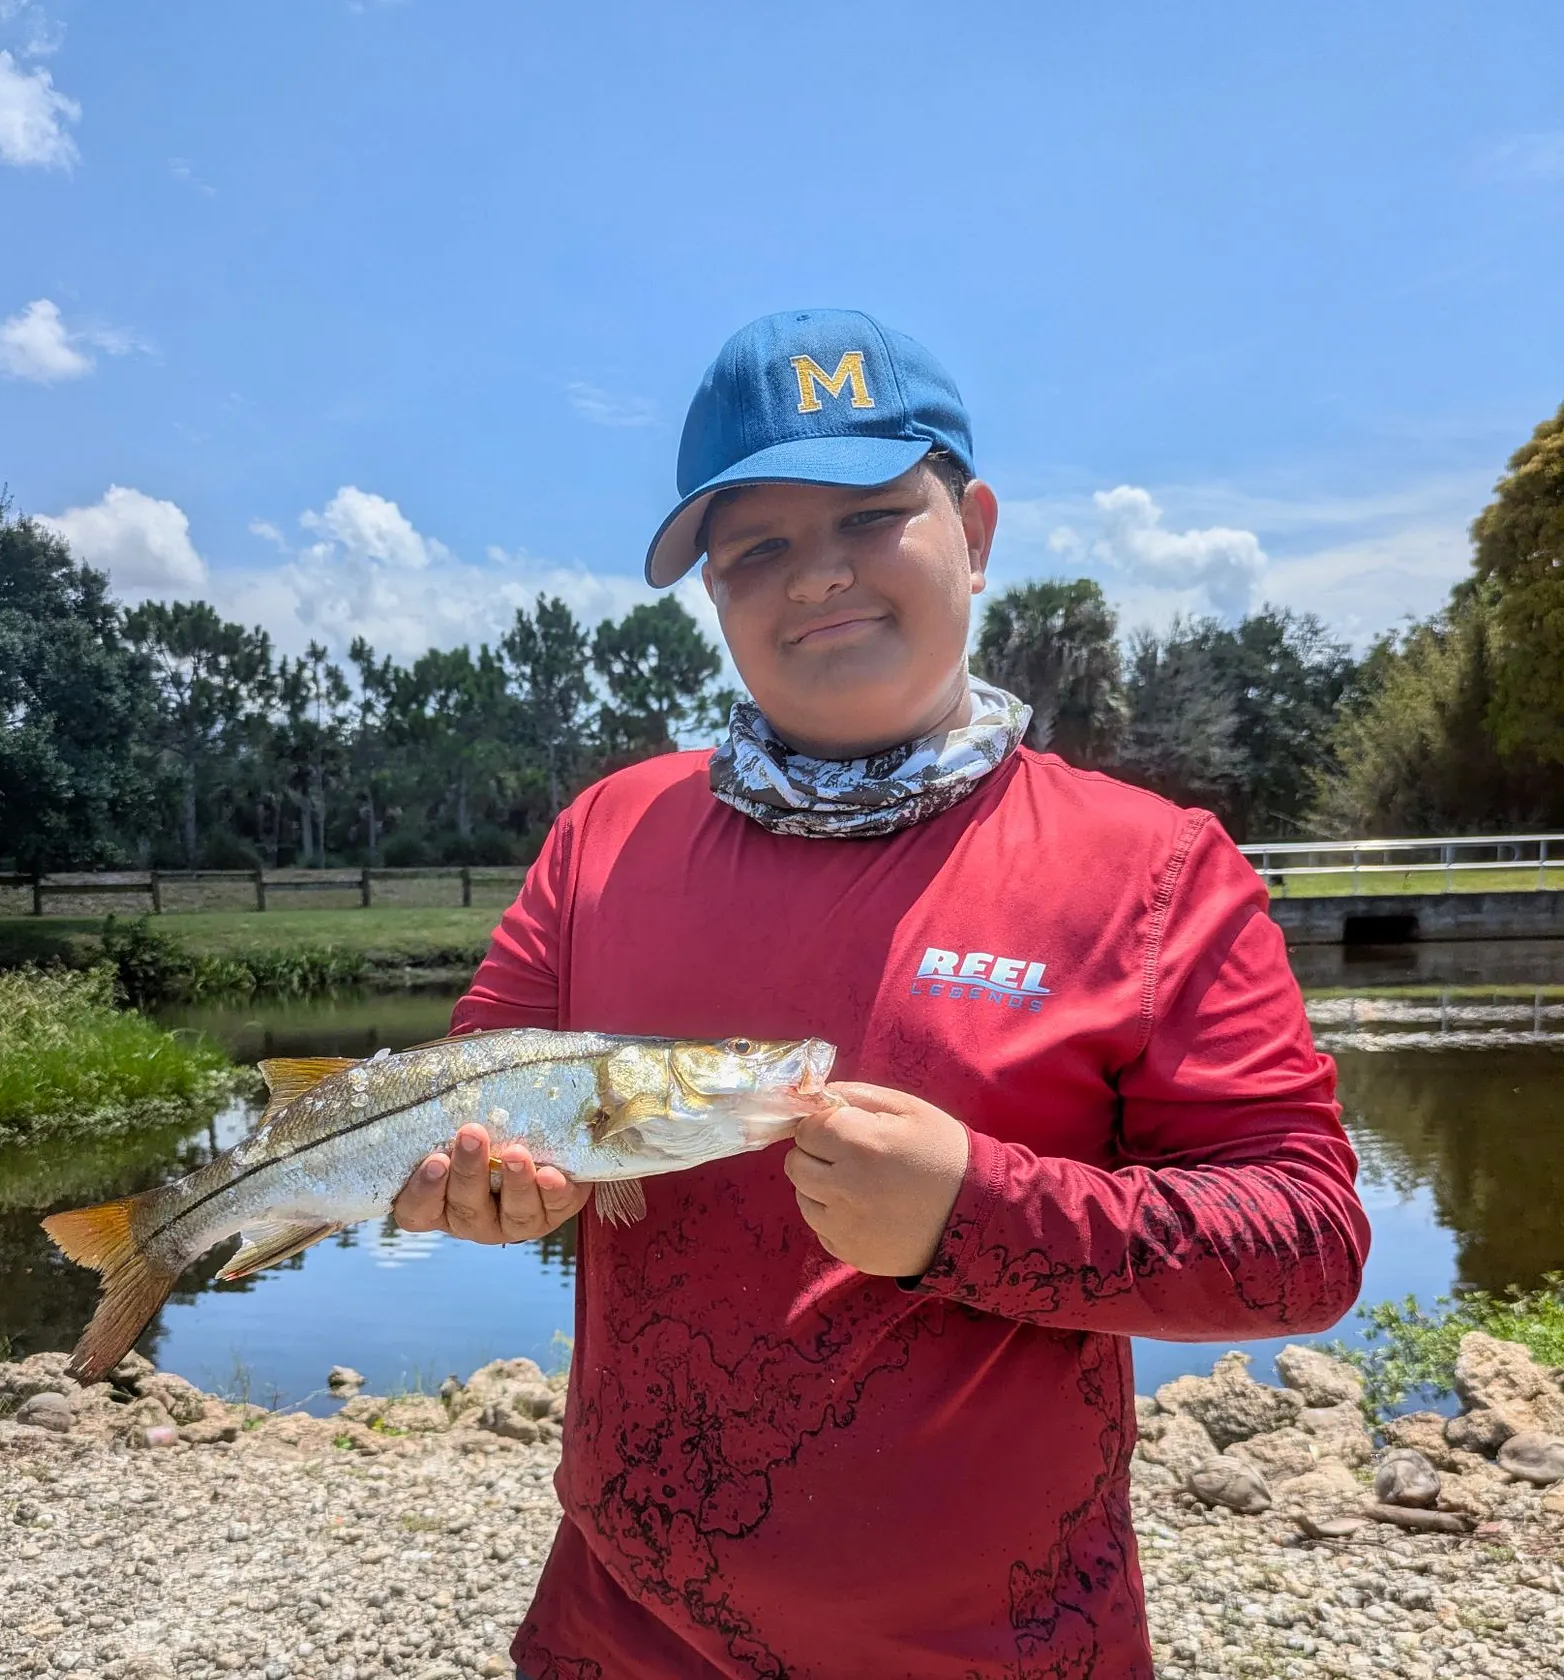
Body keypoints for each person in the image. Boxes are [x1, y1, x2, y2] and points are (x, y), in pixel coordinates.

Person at [394, 308, 1371, 1680]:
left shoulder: (1153, 869)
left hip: (1003, 1653)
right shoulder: (605, 834)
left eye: (868, 515)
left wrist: (978, 1214)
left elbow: (1306, 1244)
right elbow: (484, 1087)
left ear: (972, 527)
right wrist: (485, 1185)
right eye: (760, 548)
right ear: (717, 593)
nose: (817, 578)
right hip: (618, 1636)